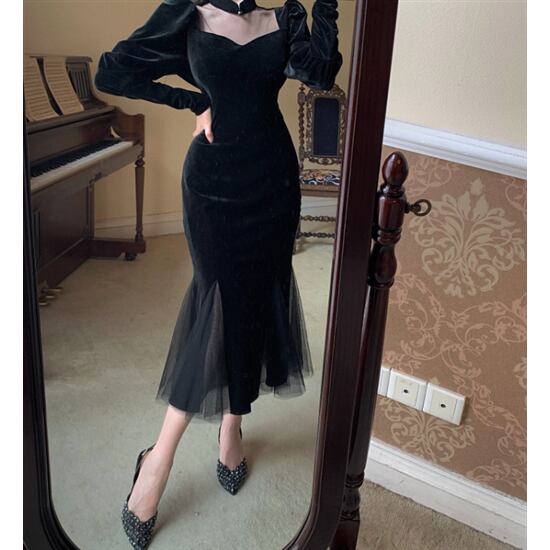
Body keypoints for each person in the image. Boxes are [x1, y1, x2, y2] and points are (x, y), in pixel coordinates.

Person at [94, 0, 342, 546]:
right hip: (211, 183)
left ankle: (232, 425)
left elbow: (321, 74)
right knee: (216, 305)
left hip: (272, 178)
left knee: (257, 300)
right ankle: (158, 459)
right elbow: (112, 72)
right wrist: (193, 101)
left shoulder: (286, 18)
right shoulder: (187, 12)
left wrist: (324, 7)